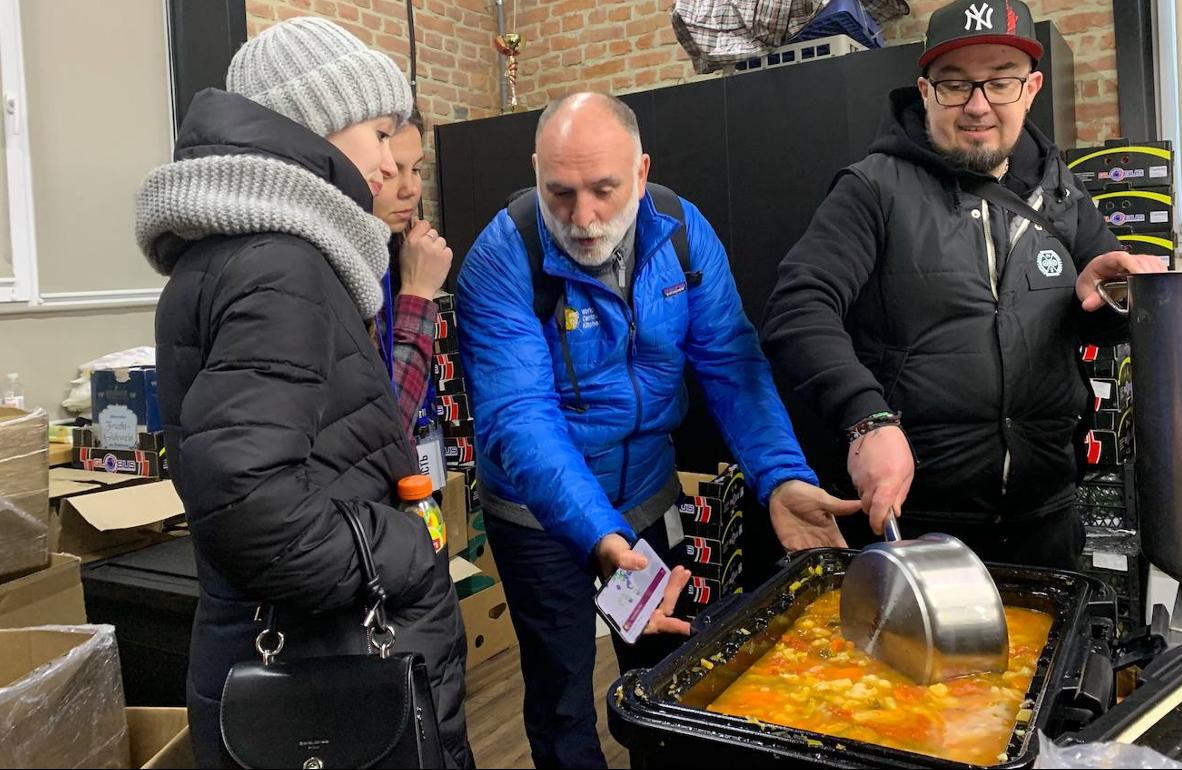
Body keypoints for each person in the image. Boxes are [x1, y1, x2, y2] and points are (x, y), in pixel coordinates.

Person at [455, 91, 859, 768]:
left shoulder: (680, 230)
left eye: (604, 191)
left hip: (645, 495)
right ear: (534, 173)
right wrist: (598, 534)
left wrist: (781, 474)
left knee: (667, 669)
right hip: (538, 516)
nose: (583, 219)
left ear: (641, 173)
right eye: (560, 193)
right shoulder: (501, 257)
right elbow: (520, 417)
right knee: (561, 690)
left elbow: (731, 362)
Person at [134, 17, 470, 767]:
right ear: (319, 123)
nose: (391, 166)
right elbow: (249, 503)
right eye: (381, 135)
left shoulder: (253, 252)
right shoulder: (279, 264)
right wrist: (407, 548)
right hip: (327, 662)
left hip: (312, 649)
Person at [761, 0, 1167, 570]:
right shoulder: (872, 189)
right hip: (915, 526)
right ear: (925, 93)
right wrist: (867, 419)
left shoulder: (1063, 195)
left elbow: (1098, 311)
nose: (978, 106)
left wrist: (1113, 300)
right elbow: (799, 308)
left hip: (1047, 520)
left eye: (1000, 82)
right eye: (955, 85)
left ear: (1031, 89)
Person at [371, 105, 453, 443]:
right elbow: (382, 432)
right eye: (390, 173)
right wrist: (418, 294)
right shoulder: (337, 267)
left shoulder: (395, 248)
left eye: (416, 169)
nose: (410, 189)